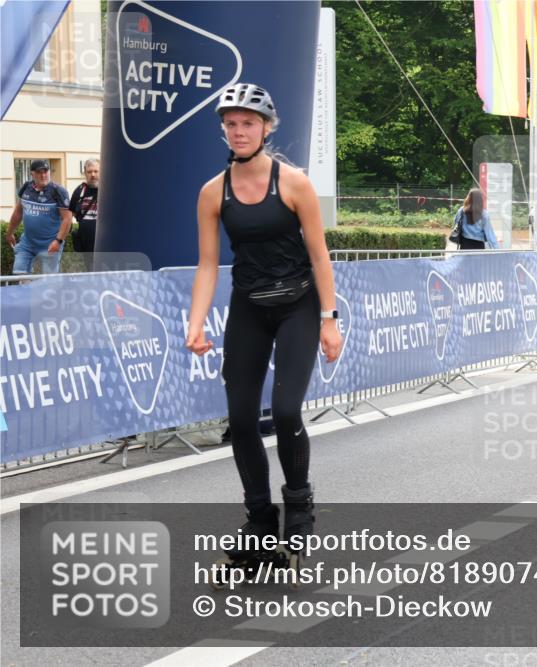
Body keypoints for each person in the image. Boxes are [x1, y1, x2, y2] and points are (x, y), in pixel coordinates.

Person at [185, 83, 343, 573]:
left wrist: (328, 319)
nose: (238, 131)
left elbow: (319, 255)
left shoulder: (293, 183)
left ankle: (299, 512)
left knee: (288, 409)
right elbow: (208, 264)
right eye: (230, 124)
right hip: (249, 307)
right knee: (242, 418)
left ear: (266, 127)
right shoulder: (213, 192)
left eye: (247, 123)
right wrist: (195, 323)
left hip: (298, 305)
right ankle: (258, 523)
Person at [5, 160, 72, 275]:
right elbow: (18, 212)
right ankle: (25, 292)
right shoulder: (26, 187)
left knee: (48, 282)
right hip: (27, 243)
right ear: (32, 174)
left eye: (45, 171)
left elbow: (67, 218)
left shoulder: (58, 191)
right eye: (39, 172)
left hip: (50, 244)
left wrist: (58, 241)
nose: (43, 175)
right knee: (19, 274)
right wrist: (10, 232)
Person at [69, 158, 100, 270]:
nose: (93, 174)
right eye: (89, 171)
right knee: (90, 271)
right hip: (85, 243)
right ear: (85, 173)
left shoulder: (110, 189)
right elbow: (71, 212)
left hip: (105, 242)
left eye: (96, 171)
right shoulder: (79, 191)